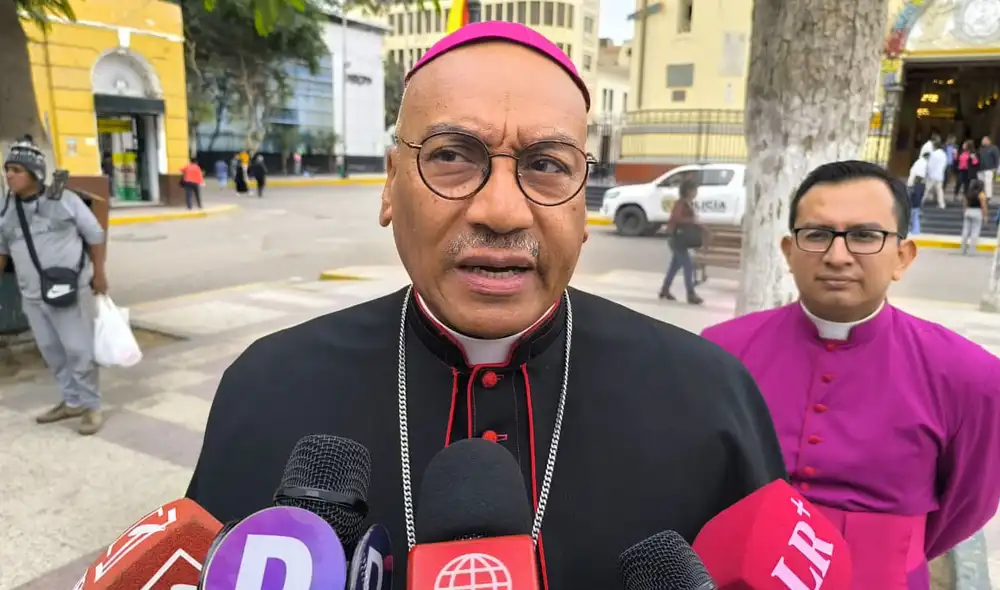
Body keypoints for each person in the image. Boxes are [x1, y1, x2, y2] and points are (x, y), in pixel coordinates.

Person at [186, 23, 787, 589]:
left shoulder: (711, 394)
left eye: (548, 165)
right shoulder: (267, 385)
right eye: (451, 156)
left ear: (583, 211)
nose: (501, 212)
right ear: (390, 183)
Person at [702, 161, 1000, 589]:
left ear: (902, 256)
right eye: (817, 235)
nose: (837, 256)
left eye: (864, 235)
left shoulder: (970, 376)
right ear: (789, 251)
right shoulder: (722, 351)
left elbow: (966, 506)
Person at [0, 140, 108, 435]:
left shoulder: (65, 200)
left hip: (70, 290)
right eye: (7, 169)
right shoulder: (6, 208)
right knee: (51, 351)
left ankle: (91, 406)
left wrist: (99, 273)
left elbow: (95, 234)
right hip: (32, 295)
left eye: (16, 170)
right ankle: (71, 401)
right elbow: (2, 248)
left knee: (78, 349)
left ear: (34, 173)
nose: (9, 175)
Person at [658, 178, 704, 304]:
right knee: (688, 266)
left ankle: (664, 290)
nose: (696, 192)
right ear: (688, 191)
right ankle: (691, 294)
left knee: (674, 266)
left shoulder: (689, 203)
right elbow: (676, 218)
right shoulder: (681, 203)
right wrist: (692, 221)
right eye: (694, 190)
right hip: (676, 238)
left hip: (680, 239)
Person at [960, 178, 988, 255]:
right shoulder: (981, 194)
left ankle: (963, 248)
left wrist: (964, 211)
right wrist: (985, 216)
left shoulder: (968, 193)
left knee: (965, 230)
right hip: (977, 212)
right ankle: (971, 249)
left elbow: (965, 204)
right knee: (975, 232)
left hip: (968, 211)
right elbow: (983, 206)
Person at [907, 152, 929, 234]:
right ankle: (915, 230)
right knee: (914, 217)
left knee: (913, 217)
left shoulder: (916, 186)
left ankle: (915, 230)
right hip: (916, 204)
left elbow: (915, 195)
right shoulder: (922, 185)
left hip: (914, 204)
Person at [925, 140, 948, 209]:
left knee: (926, 189)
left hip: (932, 175)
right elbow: (945, 164)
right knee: (939, 190)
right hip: (940, 175)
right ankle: (942, 204)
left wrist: (927, 172)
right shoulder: (944, 154)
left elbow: (930, 164)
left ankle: (919, 202)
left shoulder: (933, 154)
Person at [979, 136, 998, 202]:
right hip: (981, 169)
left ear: (988, 141)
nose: (983, 142)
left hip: (989, 168)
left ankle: (988, 197)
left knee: (988, 183)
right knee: (981, 183)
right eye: (982, 140)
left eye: (984, 140)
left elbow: (996, 158)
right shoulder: (981, 149)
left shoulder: (993, 148)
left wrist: (995, 167)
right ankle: (982, 196)